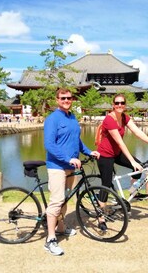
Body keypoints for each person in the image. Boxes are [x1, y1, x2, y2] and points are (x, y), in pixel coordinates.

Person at [43, 88, 100, 256]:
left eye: (69, 98)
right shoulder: (52, 119)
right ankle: (50, 240)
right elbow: (49, 145)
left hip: (71, 166)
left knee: (66, 198)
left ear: (72, 99)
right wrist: (68, 158)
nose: (66, 100)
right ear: (57, 100)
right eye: (63, 98)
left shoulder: (73, 117)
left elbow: (77, 141)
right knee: (56, 201)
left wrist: (89, 152)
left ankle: (61, 228)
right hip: (57, 166)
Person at [96, 94, 148, 225]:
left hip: (116, 153)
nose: (119, 105)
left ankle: (131, 192)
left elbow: (138, 132)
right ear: (113, 105)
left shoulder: (124, 117)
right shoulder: (109, 120)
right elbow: (120, 143)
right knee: (106, 184)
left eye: (122, 103)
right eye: (117, 103)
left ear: (125, 105)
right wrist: (132, 161)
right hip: (105, 155)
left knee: (139, 168)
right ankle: (100, 216)